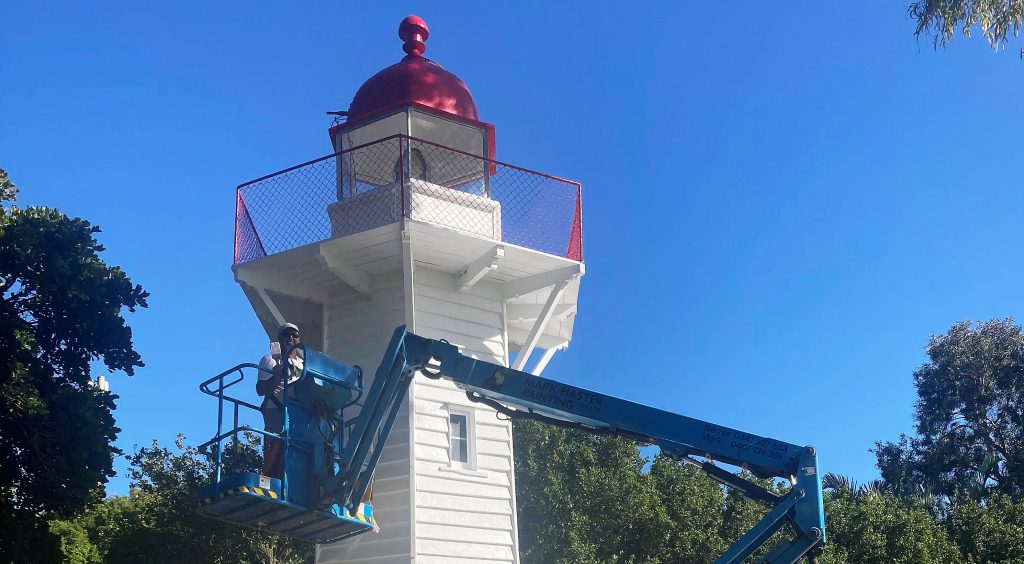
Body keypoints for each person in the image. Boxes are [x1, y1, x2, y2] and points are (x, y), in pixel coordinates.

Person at [256, 322, 303, 478]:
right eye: (286, 334)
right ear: (279, 338)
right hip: (276, 409)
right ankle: (272, 479)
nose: (290, 337)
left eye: (294, 335)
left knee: (298, 451)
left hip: (299, 412)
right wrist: (277, 375)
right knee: (276, 452)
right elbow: (261, 389)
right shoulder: (271, 360)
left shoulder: (303, 364)